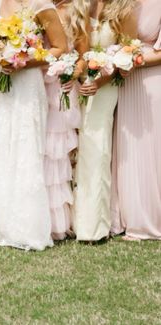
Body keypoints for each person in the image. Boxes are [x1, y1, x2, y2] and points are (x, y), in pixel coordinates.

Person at [0, 0, 68, 250]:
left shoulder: (41, 5)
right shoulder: (0, 2)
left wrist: (25, 60)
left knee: (24, 147)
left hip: (26, 83)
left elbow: (60, 47)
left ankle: (25, 225)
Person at [73, 0, 137, 242]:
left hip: (105, 85)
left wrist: (98, 81)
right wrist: (76, 76)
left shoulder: (124, 9)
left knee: (96, 148)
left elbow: (128, 55)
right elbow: (75, 50)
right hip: (77, 83)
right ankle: (71, 221)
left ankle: (93, 226)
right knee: (73, 149)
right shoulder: (79, 6)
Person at [111, 0, 161, 241]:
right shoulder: (122, 1)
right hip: (124, 83)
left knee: (152, 148)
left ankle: (152, 218)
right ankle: (130, 216)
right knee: (128, 149)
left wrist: (134, 60)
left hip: (152, 82)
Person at [44, 0, 89, 240]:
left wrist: (74, 72)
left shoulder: (77, 10)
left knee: (58, 155)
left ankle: (58, 221)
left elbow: (83, 56)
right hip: (38, 87)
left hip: (62, 90)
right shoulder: (37, 7)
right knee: (39, 153)